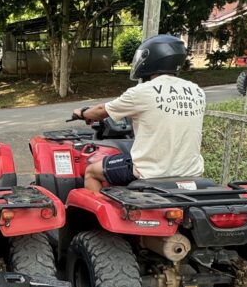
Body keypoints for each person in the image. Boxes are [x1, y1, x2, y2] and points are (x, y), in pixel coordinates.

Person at [73, 34, 206, 193]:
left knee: (91, 172)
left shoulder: (142, 91)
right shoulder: (197, 91)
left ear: (149, 58)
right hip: (190, 172)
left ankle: (101, 217)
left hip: (150, 171)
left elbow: (102, 111)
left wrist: (82, 112)